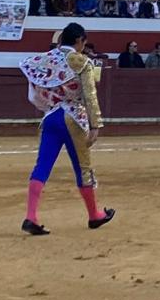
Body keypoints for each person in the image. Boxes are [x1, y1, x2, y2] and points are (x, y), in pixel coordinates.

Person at [18, 23, 115, 235]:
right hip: (74, 118)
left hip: (50, 117)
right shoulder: (82, 62)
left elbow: (33, 95)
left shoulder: (45, 59)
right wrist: (95, 124)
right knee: (83, 168)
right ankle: (94, 215)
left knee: (42, 166)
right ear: (79, 40)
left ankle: (31, 216)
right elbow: (90, 96)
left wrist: (48, 106)